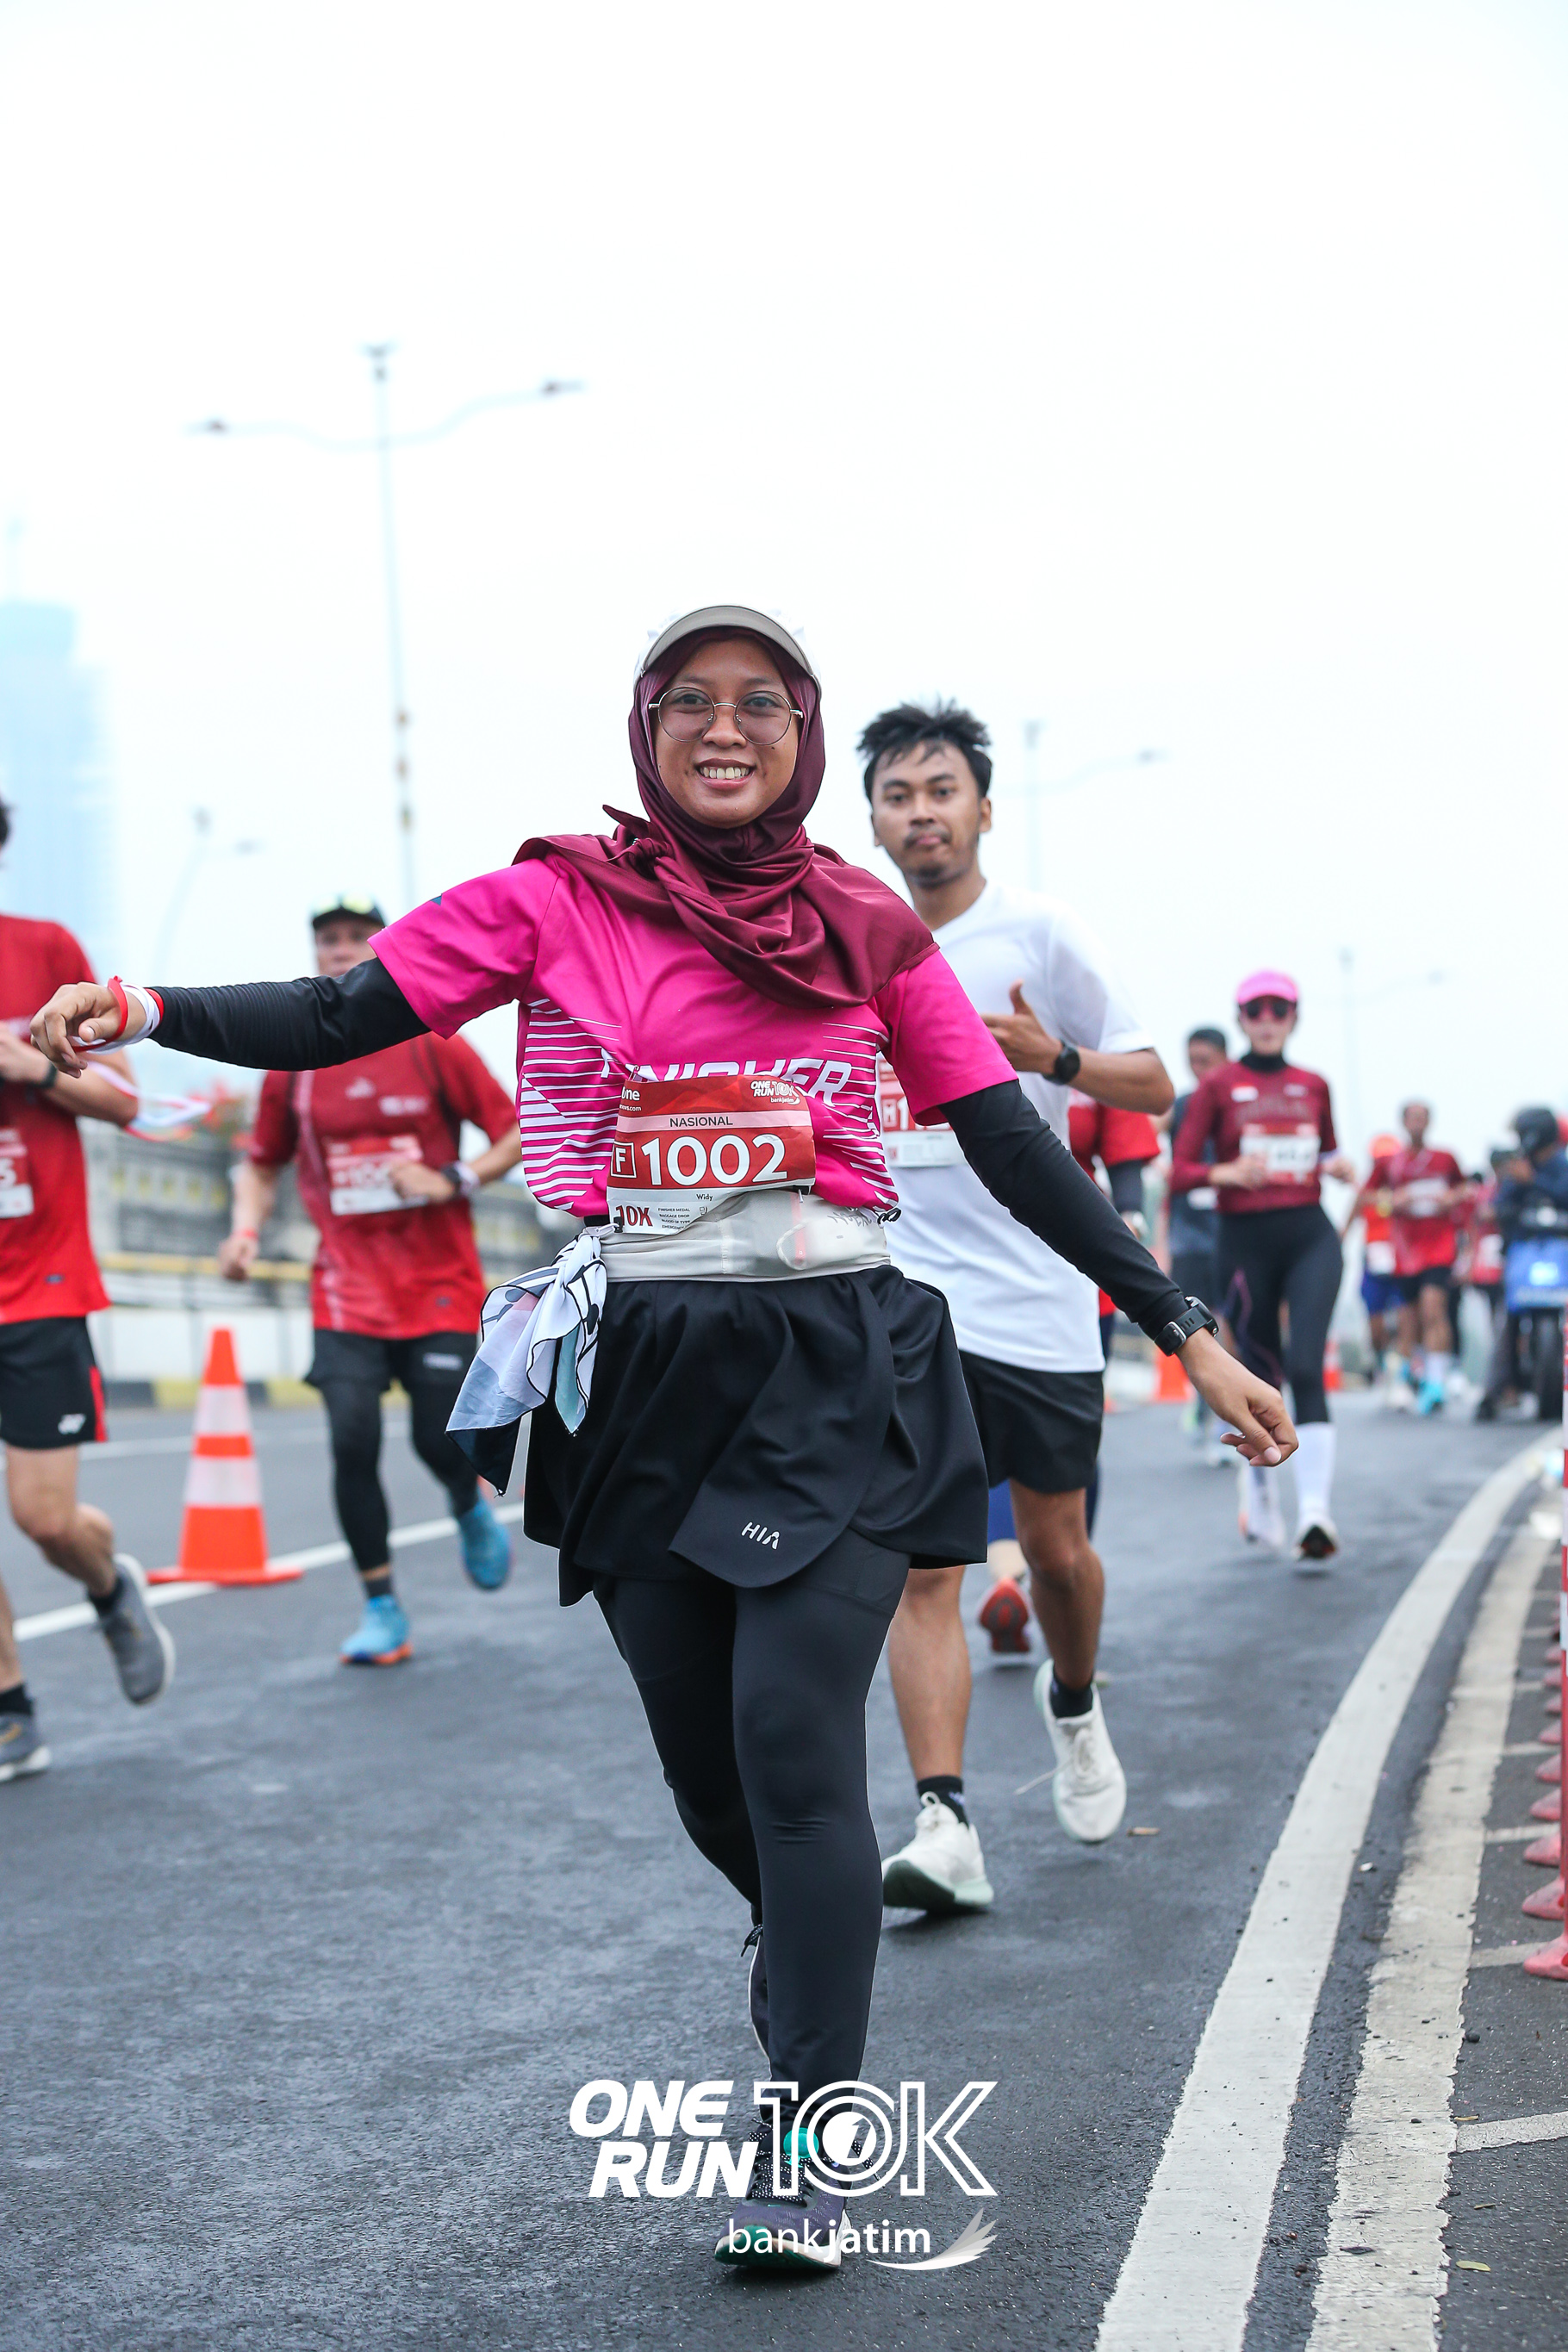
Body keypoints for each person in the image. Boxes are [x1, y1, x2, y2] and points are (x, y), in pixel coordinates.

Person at [35, 607, 1293, 2277]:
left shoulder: (861, 922)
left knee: (792, 1742)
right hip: (641, 1367)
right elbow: (341, 1014)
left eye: (760, 702)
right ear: (645, 727)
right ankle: (794, 1924)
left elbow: (1009, 1140)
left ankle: (811, 2148)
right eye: (689, 701)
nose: (724, 727)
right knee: (713, 1779)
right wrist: (142, 1002)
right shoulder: (553, 899)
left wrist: (1179, 1323)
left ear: (802, 733)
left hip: (838, 1356)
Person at [862, 698, 1174, 1912]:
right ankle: (944, 1821)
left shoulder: (1038, 932)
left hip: (1037, 1291)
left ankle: (1074, 1700)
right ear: (874, 820)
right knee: (923, 1567)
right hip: (902, 1297)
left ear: (982, 809)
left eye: (941, 790)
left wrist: (1055, 1062)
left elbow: (1152, 1082)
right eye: (898, 794)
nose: (922, 813)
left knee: (1056, 1553)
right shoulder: (851, 940)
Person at [217, 896, 521, 1665]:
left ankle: (465, 1502)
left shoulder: (432, 1042)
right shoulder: (295, 1064)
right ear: (315, 952)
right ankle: (381, 1606)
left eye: (359, 937)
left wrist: (451, 1178)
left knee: (436, 1438)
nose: (343, 949)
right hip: (345, 1287)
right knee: (351, 1441)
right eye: (330, 939)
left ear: (383, 949)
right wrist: (244, 1231)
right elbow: (261, 1164)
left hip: (437, 1283)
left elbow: (514, 1131)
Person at [0, 803, 173, 1785]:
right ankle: (10, 1708)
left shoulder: (43, 952)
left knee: (44, 1519)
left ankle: (108, 1588)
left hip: (39, 1281)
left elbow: (123, 1100)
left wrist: (31, 1067)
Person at [1171, 971, 1354, 1561]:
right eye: (1256, 1010)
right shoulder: (1218, 1085)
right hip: (1244, 1242)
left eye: (1280, 1009)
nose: (1268, 1020)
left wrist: (1338, 1166)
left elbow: (1328, 1150)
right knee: (1260, 1373)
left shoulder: (1314, 1084)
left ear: (1294, 1018)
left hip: (1310, 1236)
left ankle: (1316, 1514)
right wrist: (1223, 1172)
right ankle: (1259, 1489)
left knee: (1306, 1365)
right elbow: (1179, 1171)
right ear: (1241, 1019)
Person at [1359, 1103, 1471, 1416]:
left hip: (1439, 1247)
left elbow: (1465, 1188)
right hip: (1406, 1251)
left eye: (1422, 1118)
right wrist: (1391, 1200)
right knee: (1407, 1319)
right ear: (1404, 1123)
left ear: (1429, 1122)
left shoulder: (1445, 1158)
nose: (1417, 1123)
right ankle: (1405, 1379)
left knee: (1435, 1309)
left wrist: (1452, 1197)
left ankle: (1436, 1382)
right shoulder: (1391, 1162)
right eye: (1413, 1118)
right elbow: (1366, 1195)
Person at [1157, 1026, 1229, 1459]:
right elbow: (1144, 1131)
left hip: (1231, 1232)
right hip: (1188, 1237)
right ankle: (1203, 1404)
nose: (1198, 1069)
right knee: (1193, 1328)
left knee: (1230, 1327)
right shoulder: (1181, 1105)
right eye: (1192, 1061)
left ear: (1224, 1059)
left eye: (1206, 1061)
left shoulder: (1235, 1102)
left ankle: (1224, 1417)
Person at [1478, 1107, 1568, 1421]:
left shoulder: (1561, 1168)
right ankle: (1492, 1392)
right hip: (1524, 1252)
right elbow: (1499, 1204)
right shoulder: (1517, 1169)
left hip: (1559, 1252)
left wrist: (1535, 1182)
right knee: (1507, 1319)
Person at [1343, 1132, 1404, 1405]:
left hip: (1403, 1262)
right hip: (1374, 1261)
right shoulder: (1365, 1192)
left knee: (1406, 1318)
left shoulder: (1405, 1190)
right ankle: (1381, 1363)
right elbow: (1348, 1222)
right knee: (1376, 1323)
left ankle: (1404, 1374)